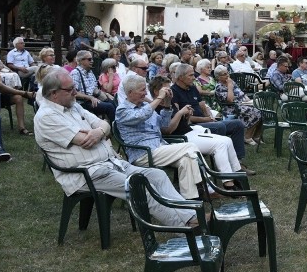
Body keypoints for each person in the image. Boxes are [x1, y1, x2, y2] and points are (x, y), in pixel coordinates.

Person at [35, 69, 197, 226]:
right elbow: (85, 140)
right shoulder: (47, 116)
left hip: (112, 163)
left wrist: (98, 131)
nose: (76, 92)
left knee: (158, 175)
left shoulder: (74, 106)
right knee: (140, 187)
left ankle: (190, 214)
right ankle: (184, 225)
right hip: (87, 172)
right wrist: (100, 133)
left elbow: (105, 125)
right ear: (54, 93)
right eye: (70, 89)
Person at [115, 75, 204, 199]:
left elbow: (164, 125)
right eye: (142, 90)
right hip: (143, 154)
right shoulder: (122, 110)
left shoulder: (144, 106)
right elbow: (142, 116)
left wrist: (167, 103)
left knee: (187, 159)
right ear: (130, 92)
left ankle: (191, 199)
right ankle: (205, 181)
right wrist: (159, 98)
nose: (145, 92)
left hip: (159, 148)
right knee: (191, 147)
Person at [170, 64, 253, 174]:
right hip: (192, 126)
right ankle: (223, 164)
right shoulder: (174, 92)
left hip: (205, 121)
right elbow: (183, 118)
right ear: (181, 77)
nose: (194, 77)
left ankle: (237, 161)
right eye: (191, 75)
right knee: (220, 126)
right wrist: (205, 120)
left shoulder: (192, 88)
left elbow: (202, 105)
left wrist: (210, 116)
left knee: (237, 124)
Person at [213, 65, 263, 145]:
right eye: (224, 74)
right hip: (231, 107)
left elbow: (241, 93)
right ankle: (247, 137)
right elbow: (230, 100)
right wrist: (229, 86)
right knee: (256, 112)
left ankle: (256, 136)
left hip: (242, 104)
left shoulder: (231, 82)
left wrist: (249, 101)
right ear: (218, 77)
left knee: (262, 110)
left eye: (227, 73)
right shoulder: (219, 87)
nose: (227, 75)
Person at [71, 50, 115, 121]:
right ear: (81, 61)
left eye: (92, 59)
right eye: (89, 59)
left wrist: (106, 94)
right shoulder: (75, 73)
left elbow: (94, 89)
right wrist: (90, 97)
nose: (92, 61)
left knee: (113, 101)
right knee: (109, 107)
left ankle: (114, 125)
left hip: (94, 99)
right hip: (83, 102)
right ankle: (116, 128)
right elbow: (73, 93)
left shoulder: (90, 72)